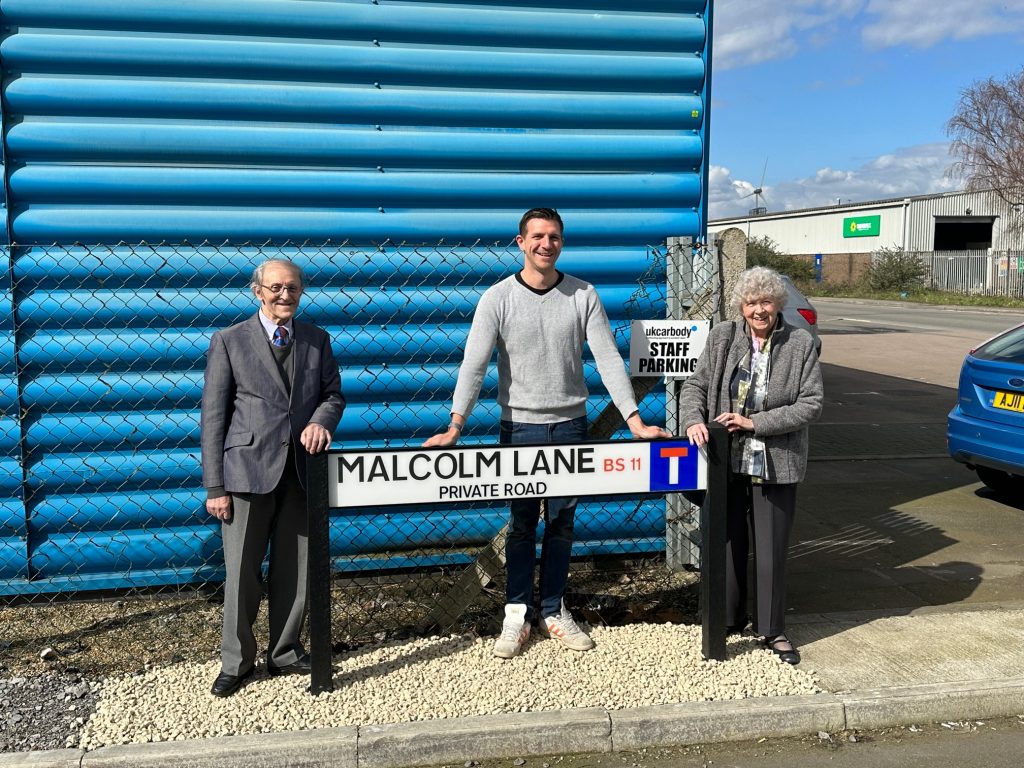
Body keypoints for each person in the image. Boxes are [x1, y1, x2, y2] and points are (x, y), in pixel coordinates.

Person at [423, 207, 669, 659]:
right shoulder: (497, 299)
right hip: (519, 427)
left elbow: (609, 359)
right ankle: (516, 613)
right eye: (537, 236)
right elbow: (474, 365)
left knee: (561, 524)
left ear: (561, 242)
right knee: (521, 525)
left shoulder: (583, 294)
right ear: (520, 242)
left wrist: (633, 420)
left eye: (554, 236)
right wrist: (455, 425)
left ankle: (554, 609)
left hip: (570, 426)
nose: (546, 244)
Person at [201, 258, 344, 696]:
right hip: (245, 473)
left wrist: (322, 421)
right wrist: (215, 486)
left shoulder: (317, 340)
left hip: (300, 472)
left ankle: (284, 651)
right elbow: (213, 417)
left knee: (295, 568)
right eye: (277, 288)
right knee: (242, 570)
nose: (286, 295)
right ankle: (236, 660)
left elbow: (333, 395)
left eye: (294, 288)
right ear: (257, 291)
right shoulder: (229, 341)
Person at [679, 266, 822, 665]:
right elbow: (696, 386)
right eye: (751, 302)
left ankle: (772, 629)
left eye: (766, 302)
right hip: (727, 459)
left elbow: (810, 403)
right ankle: (729, 618)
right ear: (741, 306)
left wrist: (755, 422)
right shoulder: (723, 336)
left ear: (778, 304)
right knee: (727, 541)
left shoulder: (800, 343)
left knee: (771, 546)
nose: (759, 310)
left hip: (776, 460)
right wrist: (693, 420)